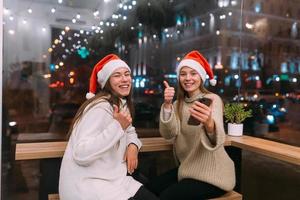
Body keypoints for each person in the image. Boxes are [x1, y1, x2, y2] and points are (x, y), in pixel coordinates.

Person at [59, 54, 158, 200]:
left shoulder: (119, 104)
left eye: (127, 74)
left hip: (114, 179)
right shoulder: (100, 108)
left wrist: (132, 145)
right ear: (107, 82)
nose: (124, 79)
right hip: (88, 186)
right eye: (117, 75)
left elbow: (129, 130)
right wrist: (117, 127)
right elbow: (81, 153)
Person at [146, 50, 236, 199]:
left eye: (193, 73)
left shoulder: (212, 99)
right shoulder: (177, 104)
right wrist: (167, 105)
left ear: (201, 77)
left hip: (214, 175)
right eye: (183, 74)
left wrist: (209, 124)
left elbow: (217, 140)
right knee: (149, 189)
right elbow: (168, 134)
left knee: (167, 197)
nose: (188, 78)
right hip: (188, 170)